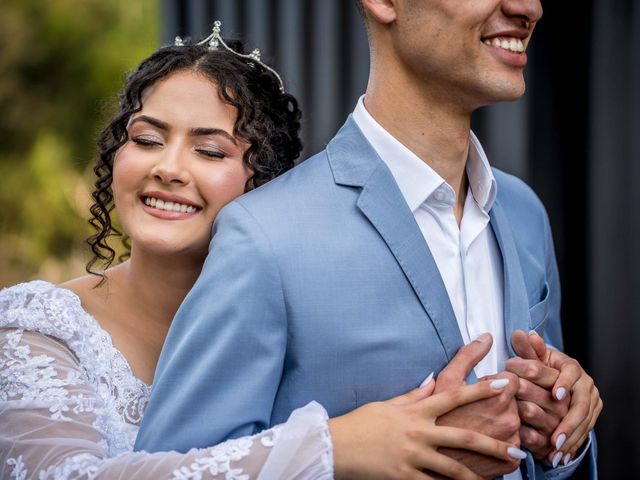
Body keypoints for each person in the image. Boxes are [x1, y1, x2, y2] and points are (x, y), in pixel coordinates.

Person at [0, 25, 532, 480]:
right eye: (146, 139)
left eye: (210, 150)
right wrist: (330, 449)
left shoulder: (316, 311)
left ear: (268, 184)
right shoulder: (39, 328)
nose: (168, 167)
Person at [137, 1, 602, 479]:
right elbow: (171, 469)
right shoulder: (264, 235)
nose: (529, 7)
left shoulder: (524, 213)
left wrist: (562, 436)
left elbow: (543, 455)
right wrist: (344, 457)